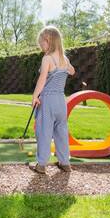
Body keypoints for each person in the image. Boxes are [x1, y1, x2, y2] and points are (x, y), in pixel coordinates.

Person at [29, 26, 75, 174]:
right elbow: (72, 71)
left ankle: (41, 164)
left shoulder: (47, 59)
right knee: (61, 131)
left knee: (44, 132)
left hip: (48, 100)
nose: (41, 47)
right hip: (61, 101)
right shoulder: (64, 58)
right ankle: (65, 162)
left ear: (47, 41)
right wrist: (66, 67)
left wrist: (35, 96)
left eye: (41, 43)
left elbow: (42, 80)